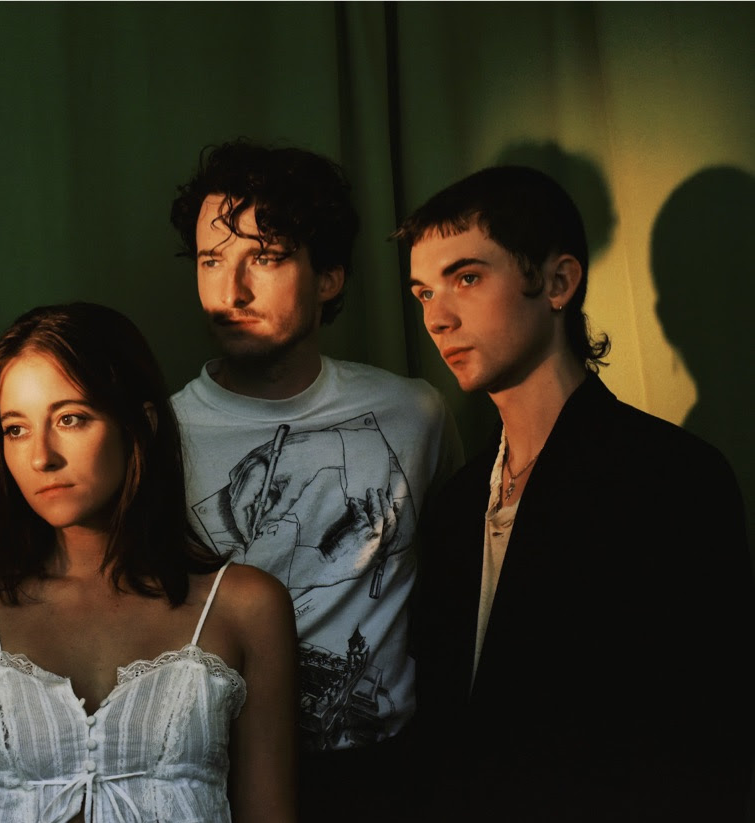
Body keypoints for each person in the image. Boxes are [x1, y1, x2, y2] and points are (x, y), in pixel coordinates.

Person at [395, 165, 755, 821]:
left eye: (466, 278)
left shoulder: (671, 480)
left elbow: (701, 743)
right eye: (423, 292)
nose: (437, 318)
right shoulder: (455, 506)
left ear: (558, 282)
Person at [0, 302, 298, 823]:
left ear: (140, 424)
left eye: (70, 419)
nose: (41, 456)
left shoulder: (244, 607)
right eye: (15, 429)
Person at [169, 140, 464, 821]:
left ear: (328, 277)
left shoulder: (413, 414)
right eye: (211, 261)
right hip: (217, 779)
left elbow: (454, 588)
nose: (230, 291)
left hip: (388, 776)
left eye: (264, 258)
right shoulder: (160, 436)